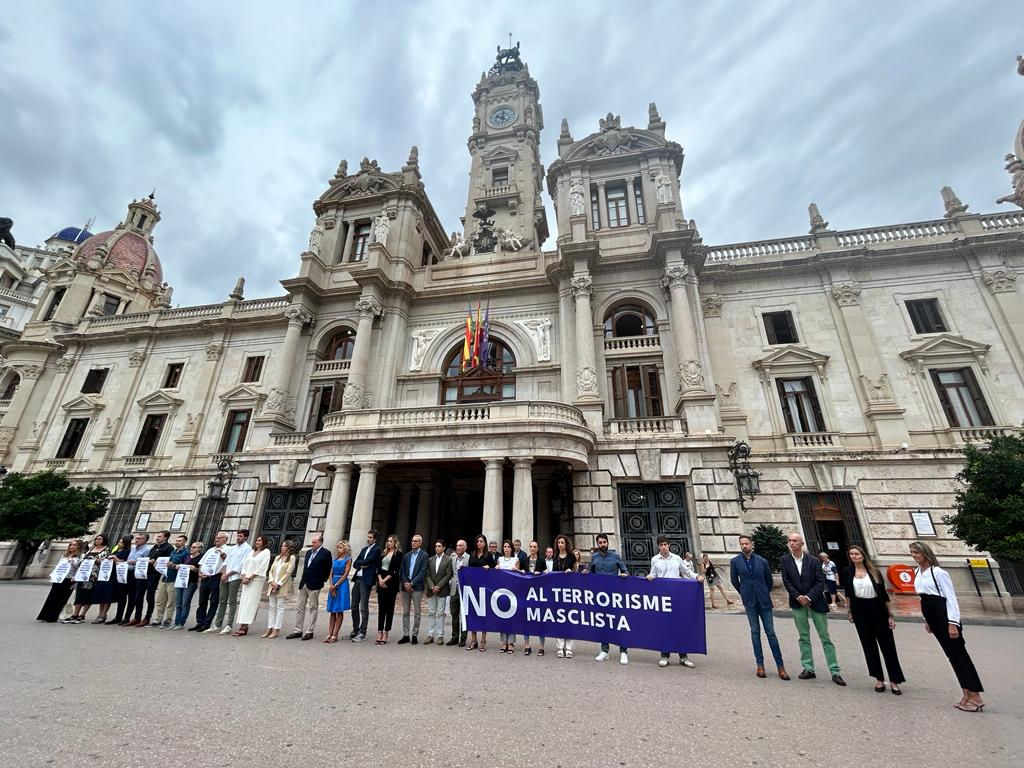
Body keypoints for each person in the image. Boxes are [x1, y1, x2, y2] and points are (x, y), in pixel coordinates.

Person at [910, 540, 984, 712]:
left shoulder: (938, 573)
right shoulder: (917, 572)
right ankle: (966, 693)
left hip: (944, 615)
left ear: (926, 553)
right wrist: (927, 620)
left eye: (917, 552)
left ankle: (976, 697)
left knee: (960, 656)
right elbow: (923, 598)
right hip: (932, 616)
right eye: (912, 553)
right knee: (951, 656)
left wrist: (953, 623)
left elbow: (950, 599)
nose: (914, 556)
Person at [781, 532, 845, 686]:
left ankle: (834, 670)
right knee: (803, 637)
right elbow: (786, 580)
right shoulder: (785, 560)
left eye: (795, 540)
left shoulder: (814, 561)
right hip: (797, 603)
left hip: (816, 602)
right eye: (790, 541)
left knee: (825, 638)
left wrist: (808, 597)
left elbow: (820, 581)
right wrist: (798, 597)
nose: (792, 543)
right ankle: (808, 668)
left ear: (801, 543)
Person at [840, 545, 904, 694]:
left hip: (878, 609)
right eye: (851, 554)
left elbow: (884, 595)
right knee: (869, 647)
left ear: (863, 556)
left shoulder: (875, 572)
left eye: (856, 554)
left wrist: (890, 615)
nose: (854, 556)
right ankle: (879, 679)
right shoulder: (847, 571)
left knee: (888, 646)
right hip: (860, 611)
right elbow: (848, 593)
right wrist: (849, 611)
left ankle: (894, 680)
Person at [730, 534, 789, 680]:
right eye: (742, 544)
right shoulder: (735, 562)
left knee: (771, 633)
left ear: (752, 544)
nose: (744, 546)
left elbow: (769, 581)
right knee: (755, 632)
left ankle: (780, 666)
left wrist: (763, 592)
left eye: (746, 544)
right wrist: (744, 592)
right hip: (749, 602)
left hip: (764, 601)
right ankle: (760, 665)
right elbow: (734, 581)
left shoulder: (762, 561)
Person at [648, 537, 701, 668]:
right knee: (664, 626)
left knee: (680, 626)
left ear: (669, 545)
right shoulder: (655, 560)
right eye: (661, 545)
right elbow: (653, 574)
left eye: (666, 544)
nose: (664, 547)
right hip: (663, 598)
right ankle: (664, 655)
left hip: (677, 596)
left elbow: (686, 572)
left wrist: (697, 577)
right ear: (658, 547)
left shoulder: (677, 558)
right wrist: (650, 577)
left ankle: (683, 656)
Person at [589, 533, 630, 665]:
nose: (602, 545)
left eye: (604, 542)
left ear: (607, 543)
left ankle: (623, 651)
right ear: (597, 544)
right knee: (603, 623)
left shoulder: (616, 556)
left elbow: (625, 571)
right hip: (601, 597)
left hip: (615, 596)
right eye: (600, 543)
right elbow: (591, 575)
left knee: (619, 623)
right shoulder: (594, 557)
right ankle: (604, 651)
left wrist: (624, 574)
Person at [287, 533, 332, 640]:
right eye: (312, 542)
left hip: (315, 585)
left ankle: (309, 631)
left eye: (314, 542)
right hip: (304, 584)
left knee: (313, 608)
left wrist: (321, 581)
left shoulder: (326, 553)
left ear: (320, 542)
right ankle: (298, 630)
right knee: (299, 607)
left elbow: (328, 569)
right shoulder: (308, 553)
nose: (312, 544)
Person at [214, 529, 252, 635]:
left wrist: (227, 574)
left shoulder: (247, 548)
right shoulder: (233, 548)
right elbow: (226, 561)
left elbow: (241, 564)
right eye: (237, 536)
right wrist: (223, 574)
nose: (238, 538)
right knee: (222, 600)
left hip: (235, 577)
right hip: (225, 577)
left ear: (245, 537)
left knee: (232, 601)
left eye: (240, 536)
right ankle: (217, 624)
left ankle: (229, 625)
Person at [65, 534, 109, 623]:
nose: (97, 540)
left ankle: (82, 614)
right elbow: (82, 559)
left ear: (104, 540)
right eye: (96, 539)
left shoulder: (106, 549)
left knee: (88, 594)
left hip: (93, 575)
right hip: (83, 572)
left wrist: (95, 559)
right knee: (79, 593)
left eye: (100, 539)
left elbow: (105, 562)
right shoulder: (91, 549)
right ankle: (75, 614)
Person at [37, 540, 84, 623]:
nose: (72, 546)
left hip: (69, 579)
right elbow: (58, 566)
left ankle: (52, 617)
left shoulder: (79, 557)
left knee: (61, 599)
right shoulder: (64, 556)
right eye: (71, 545)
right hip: (59, 578)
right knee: (52, 597)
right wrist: (53, 574)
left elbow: (79, 568)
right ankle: (45, 615)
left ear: (78, 547)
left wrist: (75, 577)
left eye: (74, 545)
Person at [191, 531, 228, 632]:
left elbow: (228, 562)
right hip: (205, 577)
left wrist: (222, 554)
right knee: (202, 600)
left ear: (225, 539)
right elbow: (202, 562)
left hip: (216, 577)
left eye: (220, 538)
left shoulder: (228, 549)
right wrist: (200, 573)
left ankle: (207, 623)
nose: (217, 539)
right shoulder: (210, 550)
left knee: (213, 601)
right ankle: (200, 621)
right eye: (217, 537)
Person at [234, 535, 271, 636]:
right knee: (244, 602)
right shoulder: (251, 552)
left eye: (259, 540)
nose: (257, 542)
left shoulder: (266, 552)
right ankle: (242, 624)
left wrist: (250, 578)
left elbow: (262, 567)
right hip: (246, 580)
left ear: (264, 541)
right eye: (257, 540)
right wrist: (243, 576)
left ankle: (244, 627)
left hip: (256, 580)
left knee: (250, 603)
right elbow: (245, 565)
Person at [136, 530, 173, 628]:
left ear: (165, 537)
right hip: (145, 573)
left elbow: (168, 560)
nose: (157, 538)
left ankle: (147, 618)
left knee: (149, 596)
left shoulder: (168, 548)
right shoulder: (154, 547)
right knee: (139, 596)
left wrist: (156, 561)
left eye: (160, 536)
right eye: (157, 536)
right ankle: (137, 617)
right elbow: (149, 557)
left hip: (155, 574)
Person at [151, 535, 188, 628]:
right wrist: (158, 565)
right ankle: (158, 619)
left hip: (174, 579)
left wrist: (174, 565)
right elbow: (167, 562)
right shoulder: (173, 552)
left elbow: (186, 565)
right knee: (160, 600)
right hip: (165, 577)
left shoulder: (186, 552)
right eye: (176, 540)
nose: (177, 542)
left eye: (179, 541)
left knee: (171, 601)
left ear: (184, 542)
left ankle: (168, 620)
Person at [349, 529, 380, 642]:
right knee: (353, 606)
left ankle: (363, 632)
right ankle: (355, 630)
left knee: (363, 607)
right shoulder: (364, 549)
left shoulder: (377, 549)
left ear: (375, 539)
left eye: (370, 537)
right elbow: (355, 563)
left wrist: (362, 563)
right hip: (357, 578)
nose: (368, 539)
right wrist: (362, 564)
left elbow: (370, 560)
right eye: (368, 537)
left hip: (366, 580)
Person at [465, 534, 493, 651]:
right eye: (477, 541)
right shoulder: (472, 554)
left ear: (485, 543)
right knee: (473, 613)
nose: (479, 543)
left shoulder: (489, 555)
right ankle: (473, 639)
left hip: (484, 588)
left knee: (483, 614)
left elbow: (494, 570)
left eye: (481, 541)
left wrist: (489, 568)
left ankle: (483, 640)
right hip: (472, 587)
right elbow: (469, 568)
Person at [398, 533, 427, 645]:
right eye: (412, 541)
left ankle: (414, 634)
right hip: (405, 587)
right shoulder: (407, 555)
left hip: (417, 587)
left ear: (420, 543)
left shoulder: (424, 555)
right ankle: (406, 634)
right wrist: (406, 582)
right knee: (405, 612)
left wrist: (412, 583)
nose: (413, 543)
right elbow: (403, 570)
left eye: (415, 541)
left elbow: (423, 572)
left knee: (417, 612)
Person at [264, 539, 296, 638]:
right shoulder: (277, 557)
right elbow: (270, 570)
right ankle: (270, 627)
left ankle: (276, 629)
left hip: (282, 585)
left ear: (289, 548)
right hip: (272, 584)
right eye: (282, 546)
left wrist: (278, 584)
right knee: (272, 607)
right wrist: (272, 581)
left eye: (284, 546)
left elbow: (289, 572)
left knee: (280, 607)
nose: (282, 548)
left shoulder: (291, 558)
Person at [375, 535, 404, 644]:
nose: (389, 543)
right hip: (381, 582)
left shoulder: (399, 554)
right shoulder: (383, 553)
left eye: (391, 541)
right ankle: (379, 632)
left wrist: (385, 581)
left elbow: (395, 570)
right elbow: (378, 568)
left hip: (391, 584)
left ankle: (386, 632)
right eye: (388, 541)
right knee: (381, 609)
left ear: (395, 542)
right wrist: (380, 580)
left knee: (389, 609)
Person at [495, 540, 522, 654]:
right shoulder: (499, 560)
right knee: (502, 617)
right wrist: (495, 569)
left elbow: (519, 575)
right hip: (501, 591)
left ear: (511, 549)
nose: (506, 548)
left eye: (508, 547)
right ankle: (504, 642)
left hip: (512, 592)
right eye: (505, 547)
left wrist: (516, 570)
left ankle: (511, 642)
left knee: (511, 617)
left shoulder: (515, 560)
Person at [424, 539, 453, 645]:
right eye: (436, 546)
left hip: (442, 590)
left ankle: (440, 635)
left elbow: (448, 574)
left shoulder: (448, 559)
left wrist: (438, 586)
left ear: (444, 547)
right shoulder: (430, 559)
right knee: (431, 612)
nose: (437, 548)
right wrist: (432, 586)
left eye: (439, 546)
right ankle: (430, 635)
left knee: (440, 613)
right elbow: (427, 574)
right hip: (432, 590)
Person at [170, 541, 204, 630]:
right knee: (178, 602)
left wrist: (194, 569)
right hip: (181, 580)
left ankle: (181, 622)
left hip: (191, 582)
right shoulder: (187, 557)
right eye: (191, 547)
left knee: (185, 603)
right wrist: (175, 566)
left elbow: (201, 570)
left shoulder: (201, 558)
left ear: (199, 549)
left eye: (194, 547)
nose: (191, 549)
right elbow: (181, 565)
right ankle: (176, 622)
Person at [553, 534, 577, 658]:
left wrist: (571, 572)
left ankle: (569, 648)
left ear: (566, 544)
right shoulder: (555, 557)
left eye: (562, 543)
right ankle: (560, 646)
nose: (560, 545)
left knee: (569, 618)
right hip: (558, 590)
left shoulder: (572, 556)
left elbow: (576, 572)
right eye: (559, 543)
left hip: (569, 590)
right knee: (559, 618)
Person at [324, 540, 352, 643]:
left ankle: (335, 635)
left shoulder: (348, 559)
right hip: (333, 583)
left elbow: (345, 574)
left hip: (341, 584)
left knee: (339, 610)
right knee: (332, 611)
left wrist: (336, 585)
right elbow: (330, 573)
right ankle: (329, 633)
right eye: (338, 548)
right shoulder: (334, 559)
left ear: (345, 549)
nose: (338, 549)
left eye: (340, 548)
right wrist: (331, 585)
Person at [121, 533, 151, 626]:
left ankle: (134, 617)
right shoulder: (133, 548)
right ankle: (126, 617)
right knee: (127, 596)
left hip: (138, 575)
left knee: (135, 597)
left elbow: (145, 563)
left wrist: (135, 562)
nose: (136, 540)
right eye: (136, 538)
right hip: (129, 573)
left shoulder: (147, 550)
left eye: (139, 538)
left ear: (145, 540)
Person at [523, 540, 547, 656]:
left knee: (540, 619)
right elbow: (521, 574)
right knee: (526, 619)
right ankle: (527, 645)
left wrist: (541, 573)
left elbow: (547, 573)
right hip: (527, 592)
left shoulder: (542, 560)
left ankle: (541, 646)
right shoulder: (525, 560)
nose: (532, 548)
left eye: (534, 547)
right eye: (531, 546)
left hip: (538, 593)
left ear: (537, 549)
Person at [103, 535, 133, 624]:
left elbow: (122, 563)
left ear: (125, 543)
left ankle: (121, 616)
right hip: (112, 574)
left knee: (122, 596)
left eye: (121, 542)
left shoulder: (126, 551)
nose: (119, 543)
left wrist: (114, 558)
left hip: (121, 575)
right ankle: (117, 616)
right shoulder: (116, 550)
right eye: (119, 542)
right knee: (116, 596)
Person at [447, 539, 470, 646]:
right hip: (454, 590)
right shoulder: (453, 558)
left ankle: (463, 638)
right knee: (454, 614)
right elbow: (450, 572)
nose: (458, 547)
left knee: (464, 615)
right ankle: (454, 637)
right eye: (457, 545)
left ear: (465, 547)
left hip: (464, 589)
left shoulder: (469, 558)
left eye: (460, 545)